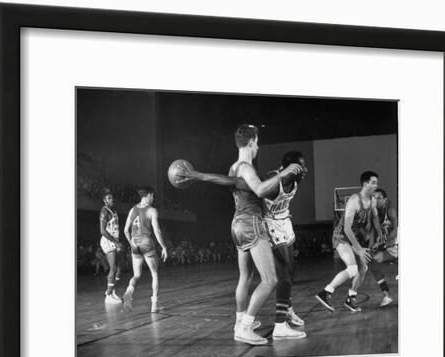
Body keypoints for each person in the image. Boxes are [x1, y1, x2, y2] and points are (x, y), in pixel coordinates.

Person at [176, 124, 302, 344]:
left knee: (246, 277)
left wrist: (198, 175)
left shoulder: (234, 167)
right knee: (270, 279)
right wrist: (283, 173)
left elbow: (226, 181)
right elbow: (261, 190)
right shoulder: (247, 168)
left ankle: (240, 320)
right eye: (258, 143)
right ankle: (244, 328)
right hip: (251, 224)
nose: (259, 147)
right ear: (251, 142)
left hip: (237, 224)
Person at [316, 171, 382, 312]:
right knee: (352, 269)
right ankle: (326, 292)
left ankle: (350, 299)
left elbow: (375, 218)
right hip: (341, 237)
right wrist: (359, 249)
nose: (376, 185)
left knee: (363, 269)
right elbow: (346, 228)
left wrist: (380, 233)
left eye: (377, 183)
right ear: (365, 184)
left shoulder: (372, 201)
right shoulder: (354, 201)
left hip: (354, 239)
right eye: (373, 182)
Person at [262, 151, 308, 337]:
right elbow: (256, 194)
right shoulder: (274, 180)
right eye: (302, 166)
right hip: (271, 224)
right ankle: (280, 326)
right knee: (285, 273)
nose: (305, 170)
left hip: (285, 222)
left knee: (291, 271)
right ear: (291, 168)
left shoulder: (295, 180)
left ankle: (286, 308)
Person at [122, 186, 168, 313]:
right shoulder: (152, 210)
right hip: (146, 242)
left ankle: (129, 292)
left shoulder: (132, 209)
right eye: (152, 196)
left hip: (134, 243)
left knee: (136, 275)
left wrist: (130, 243)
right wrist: (163, 246)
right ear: (148, 195)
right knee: (154, 273)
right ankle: (154, 305)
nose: (153, 198)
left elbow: (126, 230)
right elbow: (157, 230)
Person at [369, 188, 398, 306]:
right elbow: (373, 232)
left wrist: (382, 241)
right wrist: (372, 246)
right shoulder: (373, 213)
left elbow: (395, 231)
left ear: (385, 200)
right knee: (372, 261)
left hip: (398, 244)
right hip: (389, 248)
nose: (376, 200)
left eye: (379, 198)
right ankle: (387, 295)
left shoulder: (390, 210)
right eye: (374, 197)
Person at [99, 190, 123, 304]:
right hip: (108, 240)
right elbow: (103, 231)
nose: (111, 200)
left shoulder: (114, 211)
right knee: (113, 268)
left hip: (114, 240)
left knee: (119, 268)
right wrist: (116, 242)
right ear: (104, 200)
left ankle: (112, 291)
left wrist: (118, 241)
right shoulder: (104, 211)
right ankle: (108, 296)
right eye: (108, 198)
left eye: (112, 198)